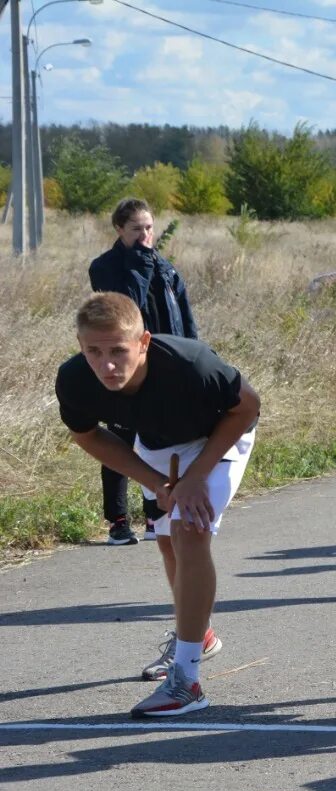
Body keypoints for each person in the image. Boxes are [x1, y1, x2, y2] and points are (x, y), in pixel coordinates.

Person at [55, 292, 259, 716]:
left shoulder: (190, 364)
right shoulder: (74, 379)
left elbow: (248, 408)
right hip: (157, 447)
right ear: (80, 345)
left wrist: (196, 478)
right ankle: (198, 633)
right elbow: (88, 435)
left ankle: (187, 682)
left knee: (188, 530)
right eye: (94, 351)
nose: (106, 364)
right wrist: (156, 483)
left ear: (143, 342)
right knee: (167, 542)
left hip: (219, 437)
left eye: (118, 351)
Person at [89, 197, 200, 546]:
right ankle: (118, 521)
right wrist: (139, 265)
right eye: (136, 229)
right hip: (125, 364)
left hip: (165, 365)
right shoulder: (105, 267)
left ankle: (156, 514)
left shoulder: (164, 266)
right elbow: (126, 309)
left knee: (160, 440)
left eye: (149, 228)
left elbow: (185, 316)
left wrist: (194, 356)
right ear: (119, 230)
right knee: (121, 439)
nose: (145, 235)